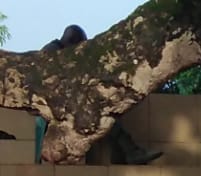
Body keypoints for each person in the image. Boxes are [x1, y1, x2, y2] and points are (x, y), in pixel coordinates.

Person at [36, 24, 163, 165]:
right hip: (54, 110)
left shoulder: (58, 52)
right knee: (100, 114)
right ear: (72, 42)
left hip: (67, 107)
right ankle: (131, 152)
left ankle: (128, 153)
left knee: (104, 111)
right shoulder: (53, 53)